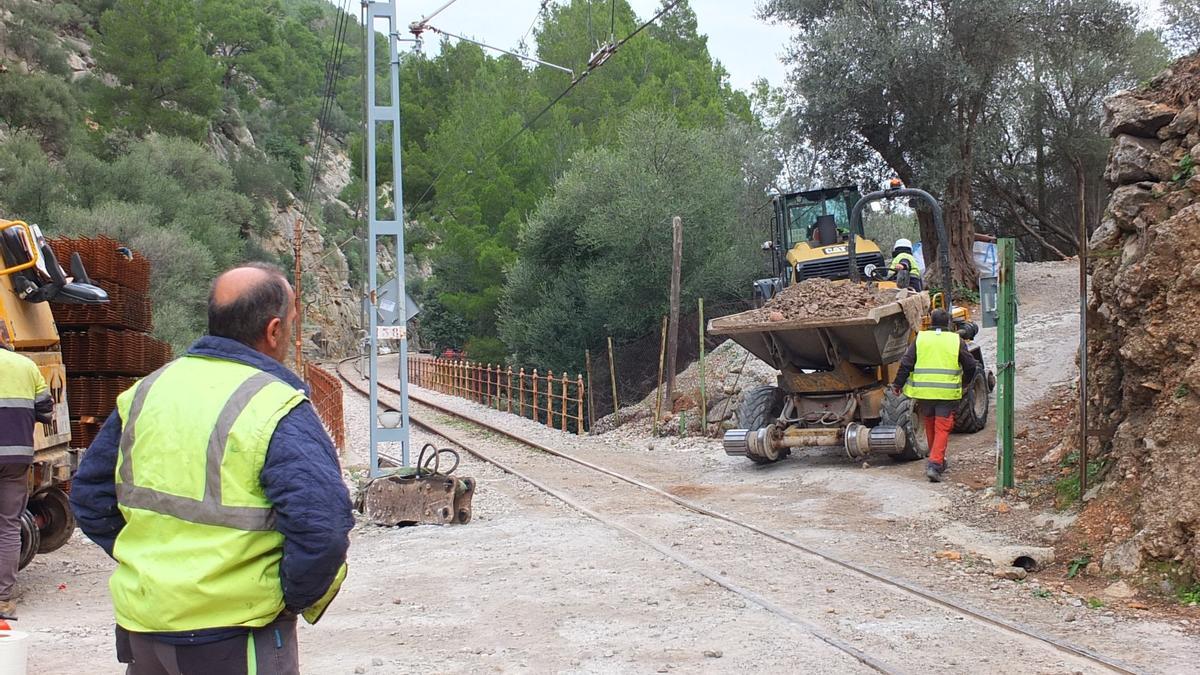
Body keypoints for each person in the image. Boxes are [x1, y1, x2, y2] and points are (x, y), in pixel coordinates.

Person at [70, 263, 354, 674]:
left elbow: (90, 498)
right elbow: (323, 529)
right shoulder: (275, 405)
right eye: (292, 322)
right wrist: (286, 598)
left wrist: (156, 569)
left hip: (145, 630)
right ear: (274, 331)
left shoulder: (147, 391)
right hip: (235, 637)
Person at [0, 326, 54, 617]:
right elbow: (46, 410)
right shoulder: (26, 366)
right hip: (17, 457)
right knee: (8, 527)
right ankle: (3, 600)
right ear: (5, 337)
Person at [891, 309, 977, 483]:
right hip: (946, 393)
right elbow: (970, 364)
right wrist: (966, 382)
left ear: (930, 322)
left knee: (930, 424)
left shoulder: (920, 339)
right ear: (948, 324)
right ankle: (935, 464)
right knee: (942, 428)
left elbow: (906, 363)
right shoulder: (955, 340)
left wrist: (897, 385)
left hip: (924, 393)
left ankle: (935, 458)